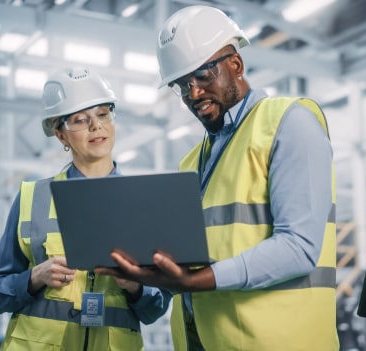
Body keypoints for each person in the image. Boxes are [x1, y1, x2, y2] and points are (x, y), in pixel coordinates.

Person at [95, 5, 339, 351]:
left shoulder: (288, 123)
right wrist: (143, 278)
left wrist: (197, 281)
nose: (192, 94)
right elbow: (193, 261)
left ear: (235, 65)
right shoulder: (192, 162)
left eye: (202, 76)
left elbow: (299, 248)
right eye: (182, 85)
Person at [0, 67, 172, 350]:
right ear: (61, 135)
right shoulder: (31, 198)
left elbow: (155, 308)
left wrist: (134, 286)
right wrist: (34, 277)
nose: (96, 127)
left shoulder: (143, 202)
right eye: (80, 120)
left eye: (103, 114)